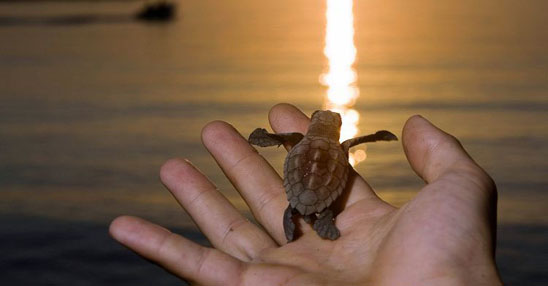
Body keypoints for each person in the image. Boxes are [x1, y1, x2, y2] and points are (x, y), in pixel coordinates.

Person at [110, 103, 503, 285]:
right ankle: (319, 218)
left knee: (293, 209)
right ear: (333, 131)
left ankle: (299, 218)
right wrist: (380, 136)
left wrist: (262, 139)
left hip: (300, 184)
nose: (327, 121)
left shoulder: (299, 140)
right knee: (309, 209)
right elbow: (364, 138)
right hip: (326, 180)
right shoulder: (341, 148)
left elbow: (265, 138)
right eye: (328, 120)